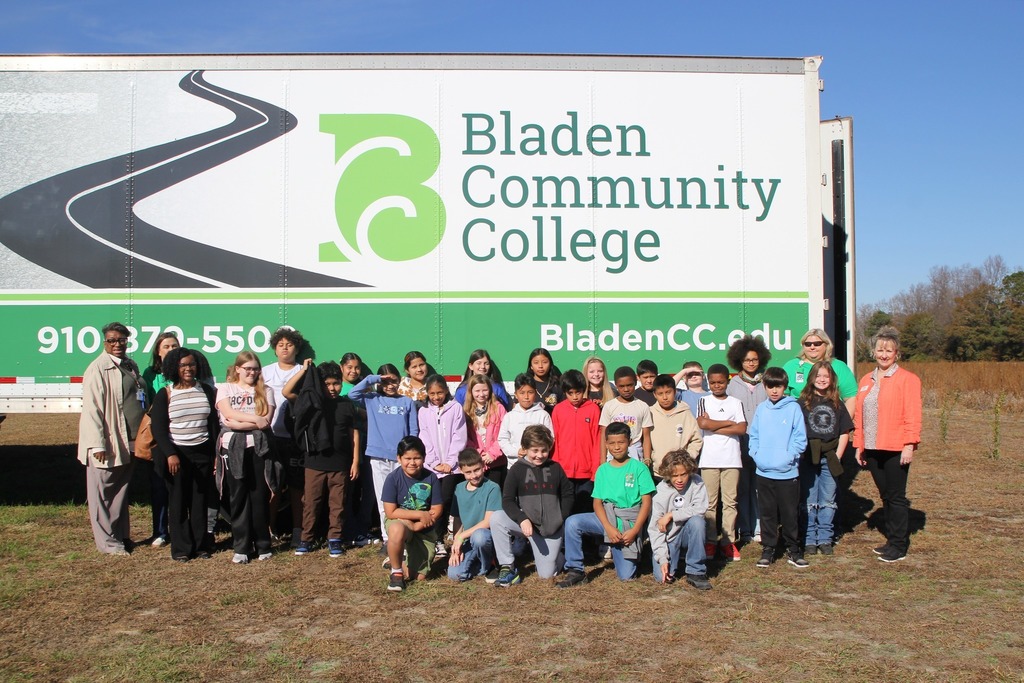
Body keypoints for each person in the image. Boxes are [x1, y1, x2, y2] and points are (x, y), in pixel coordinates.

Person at [77, 322, 148, 556]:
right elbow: (92, 410)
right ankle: (107, 543)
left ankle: (120, 536)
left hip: (130, 440)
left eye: (122, 340)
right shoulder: (97, 369)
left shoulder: (130, 365)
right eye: (112, 340)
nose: (117, 344)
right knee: (103, 493)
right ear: (104, 342)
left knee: (120, 492)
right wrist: (97, 443)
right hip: (109, 441)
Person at [853, 326, 922, 563]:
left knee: (896, 497)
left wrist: (909, 444)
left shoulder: (908, 380)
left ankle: (899, 545)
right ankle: (891, 540)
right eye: (880, 349)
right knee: (885, 496)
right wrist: (858, 445)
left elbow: (913, 414)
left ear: (897, 354)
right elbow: (859, 417)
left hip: (895, 447)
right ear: (874, 352)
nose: (884, 354)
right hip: (871, 448)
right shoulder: (866, 380)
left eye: (889, 350)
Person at [558, 422, 656, 587]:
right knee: (573, 523)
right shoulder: (603, 470)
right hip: (606, 518)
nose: (617, 447)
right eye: (612, 443)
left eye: (621, 442)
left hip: (628, 522)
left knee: (626, 576)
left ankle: (633, 551)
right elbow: (597, 503)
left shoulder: (639, 468)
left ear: (630, 442)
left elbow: (646, 503)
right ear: (606, 444)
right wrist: (608, 528)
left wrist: (635, 530)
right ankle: (575, 569)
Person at [284, 360, 360, 558]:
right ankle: (306, 539)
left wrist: (354, 461)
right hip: (314, 462)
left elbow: (354, 435)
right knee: (311, 502)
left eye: (336, 383)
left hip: (341, 463)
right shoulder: (310, 402)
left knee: (338, 504)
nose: (333, 388)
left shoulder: (346, 405)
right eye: (327, 384)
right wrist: (304, 370)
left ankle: (335, 539)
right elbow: (287, 392)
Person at [150, 347, 218, 562]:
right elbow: (159, 429)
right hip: (177, 455)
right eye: (183, 365)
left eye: (191, 364)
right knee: (178, 501)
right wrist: (170, 454)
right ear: (174, 368)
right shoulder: (166, 394)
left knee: (199, 501)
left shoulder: (207, 390)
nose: (188, 369)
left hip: (203, 453)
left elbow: (213, 425)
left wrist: (215, 453)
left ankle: (200, 546)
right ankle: (181, 549)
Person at [215, 351, 280, 564]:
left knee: (259, 496)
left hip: (259, 448)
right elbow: (228, 416)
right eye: (247, 368)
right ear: (238, 370)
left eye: (255, 369)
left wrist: (237, 422)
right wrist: (253, 419)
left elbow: (267, 421)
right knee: (238, 496)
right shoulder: (225, 388)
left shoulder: (266, 391)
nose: (251, 372)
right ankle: (241, 547)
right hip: (233, 448)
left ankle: (263, 544)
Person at [489, 425, 574, 586]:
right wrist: (521, 518)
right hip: (527, 525)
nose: (539, 455)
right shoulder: (516, 469)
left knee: (547, 575)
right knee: (497, 518)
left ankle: (559, 556)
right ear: (525, 448)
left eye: (544, 450)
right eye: (534, 450)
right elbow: (507, 500)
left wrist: (560, 518)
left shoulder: (555, 468)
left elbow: (568, 494)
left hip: (551, 528)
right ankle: (507, 566)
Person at [349, 364, 419, 545]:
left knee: (404, 499)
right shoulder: (372, 399)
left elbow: (413, 431)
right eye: (385, 382)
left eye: (393, 381)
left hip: (401, 460)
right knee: (384, 499)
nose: (390, 385)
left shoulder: (406, 402)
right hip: (378, 458)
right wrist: (374, 379)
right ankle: (388, 538)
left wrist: (409, 456)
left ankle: (404, 534)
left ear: (400, 381)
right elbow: (352, 395)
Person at [748, 367, 809, 569]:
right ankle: (768, 549)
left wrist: (789, 457)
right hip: (764, 471)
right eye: (770, 386)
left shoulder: (793, 408)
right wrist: (756, 455)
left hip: (787, 472)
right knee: (767, 513)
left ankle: (794, 549)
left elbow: (800, 438)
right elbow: (754, 435)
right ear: (764, 387)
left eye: (779, 386)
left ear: (785, 387)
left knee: (789, 513)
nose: (774, 390)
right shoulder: (762, 409)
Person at [799, 361, 853, 556]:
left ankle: (825, 538)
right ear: (812, 378)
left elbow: (845, 431)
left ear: (831, 380)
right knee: (809, 499)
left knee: (828, 499)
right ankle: (809, 538)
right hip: (808, 457)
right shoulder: (802, 403)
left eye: (826, 376)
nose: (822, 380)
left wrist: (838, 455)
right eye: (818, 376)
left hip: (830, 456)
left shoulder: (837, 404)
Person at [695, 364, 746, 562]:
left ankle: (728, 541)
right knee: (709, 503)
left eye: (721, 382)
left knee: (730, 502)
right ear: (708, 381)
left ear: (728, 381)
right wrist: (728, 423)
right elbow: (703, 424)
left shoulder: (735, 402)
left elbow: (741, 429)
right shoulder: (703, 401)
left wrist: (714, 425)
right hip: (709, 459)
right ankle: (710, 540)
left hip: (732, 459)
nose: (717, 386)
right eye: (713, 382)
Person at [261, 327, 306, 546]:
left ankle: (298, 531)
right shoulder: (266, 371)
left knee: (298, 489)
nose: (285, 348)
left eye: (289, 344)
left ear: (297, 348)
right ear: (275, 348)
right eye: (281, 345)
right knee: (273, 487)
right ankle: (269, 529)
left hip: (296, 439)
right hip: (272, 436)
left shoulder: (304, 369)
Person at [726, 334, 772, 544]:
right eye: (746, 360)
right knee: (742, 487)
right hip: (740, 443)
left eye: (754, 359)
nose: (751, 363)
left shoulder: (768, 381)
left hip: (764, 444)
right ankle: (745, 528)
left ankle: (760, 527)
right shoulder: (732, 385)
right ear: (739, 361)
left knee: (761, 487)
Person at [382, 436, 443, 592]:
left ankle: (401, 560)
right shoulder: (393, 478)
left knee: (419, 576)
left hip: (424, 528)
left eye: (417, 458)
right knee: (397, 529)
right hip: (400, 521)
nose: (412, 462)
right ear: (399, 458)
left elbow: (437, 509)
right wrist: (420, 514)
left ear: (424, 458)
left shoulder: (431, 477)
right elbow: (390, 512)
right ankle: (396, 573)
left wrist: (417, 525)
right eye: (407, 458)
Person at [419, 374, 468, 558]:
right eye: (432, 393)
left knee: (446, 499)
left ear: (447, 390)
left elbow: (459, 436)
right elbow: (424, 437)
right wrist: (433, 462)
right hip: (432, 466)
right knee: (433, 501)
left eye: (440, 392)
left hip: (451, 467)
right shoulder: (423, 411)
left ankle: (440, 537)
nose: (436, 397)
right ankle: (433, 539)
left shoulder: (455, 408)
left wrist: (449, 462)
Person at [648, 450, 711, 590]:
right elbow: (655, 529)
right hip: (669, 538)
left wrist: (671, 515)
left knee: (697, 522)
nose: (679, 480)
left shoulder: (697, 482)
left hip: (688, 531)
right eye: (674, 475)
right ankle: (674, 557)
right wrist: (662, 559)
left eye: (683, 474)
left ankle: (696, 571)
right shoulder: (660, 492)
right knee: (663, 578)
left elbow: (700, 508)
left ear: (689, 471)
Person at [141, 331, 179, 548]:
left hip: (181, 434)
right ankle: (160, 530)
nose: (171, 350)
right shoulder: (150, 374)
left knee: (180, 486)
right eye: (166, 347)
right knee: (159, 485)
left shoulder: (185, 370)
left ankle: (181, 527)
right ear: (158, 350)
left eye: (174, 346)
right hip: (158, 436)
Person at [550, 369, 602, 516]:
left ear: (584, 391)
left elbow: (597, 440)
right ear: (565, 392)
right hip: (564, 472)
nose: (574, 397)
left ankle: (587, 540)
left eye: (578, 392)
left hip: (586, 473)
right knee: (565, 511)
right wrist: (557, 469)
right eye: (570, 393)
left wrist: (595, 470)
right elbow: (555, 440)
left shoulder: (592, 409)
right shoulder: (558, 410)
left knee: (584, 511)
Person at [447, 448, 502, 582]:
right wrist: (456, 545)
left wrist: (461, 536)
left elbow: (488, 522)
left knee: (480, 536)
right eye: (468, 472)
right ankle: (480, 565)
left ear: (483, 466)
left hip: (487, 538)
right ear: (461, 471)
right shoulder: (459, 488)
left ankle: (491, 563)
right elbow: (458, 519)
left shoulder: (493, 488)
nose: (474, 475)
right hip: (469, 540)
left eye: (477, 470)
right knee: (454, 575)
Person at [783, 328, 858, 416]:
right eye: (807, 344)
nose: (812, 347)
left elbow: (851, 398)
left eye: (817, 344)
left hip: (830, 422)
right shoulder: (791, 366)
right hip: (798, 422)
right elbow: (783, 396)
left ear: (826, 345)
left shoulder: (838, 366)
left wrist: (843, 425)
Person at [649, 374, 702, 477]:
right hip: (657, 473)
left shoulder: (685, 412)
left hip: (681, 473)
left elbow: (696, 439)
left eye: (668, 392)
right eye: (660, 394)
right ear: (655, 395)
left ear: (675, 391)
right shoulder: (650, 413)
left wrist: (687, 458)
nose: (665, 397)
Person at [599, 366, 654, 465]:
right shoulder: (609, 406)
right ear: (616, 385)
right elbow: (603, 434)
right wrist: (603, 460)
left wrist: (647, 458)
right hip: (614, 453)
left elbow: (646, 436)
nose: (626, 389)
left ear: (636, 383)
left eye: (629, 385)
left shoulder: (642, 406)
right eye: (622, 386)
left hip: (635, 452)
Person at [497, 374, 553, 470]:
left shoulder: (543, 415)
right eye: (522, 393)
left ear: (535, 393)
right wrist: (516, 451)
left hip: (538, 465)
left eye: (530, 392)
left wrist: (537, 454)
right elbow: (503, 439)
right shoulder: (509, 416)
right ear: (516, 395)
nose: (526, 397)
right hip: (514, 465)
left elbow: (550, 438)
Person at [463, 373, 508, 488]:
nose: (481, 394)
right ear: (471, 392)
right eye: (477, 391)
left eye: (485, 390)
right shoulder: (466, 411)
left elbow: (505, 432)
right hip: (476, 463)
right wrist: (479, 454)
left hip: (496, 461)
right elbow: (465, 437)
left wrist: (492, 454)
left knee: (495, 491)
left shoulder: (499, 408)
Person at [526, 348, 563, 412]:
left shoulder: (557, 385)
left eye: (545, 362)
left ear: (550, 364)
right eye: (536, 363)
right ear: (531, 366)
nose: (540, 366)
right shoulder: (525, 384)